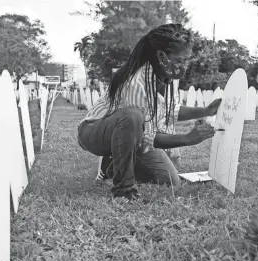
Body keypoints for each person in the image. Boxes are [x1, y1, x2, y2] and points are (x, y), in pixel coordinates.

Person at [77, 23, 222, 201]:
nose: (184, 65)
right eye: (180, 60)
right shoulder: (136, 82)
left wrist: (205, 111)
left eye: (186, 60)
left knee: (169, 179)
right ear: (161, 57)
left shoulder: (166, 77)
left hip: (131, 133)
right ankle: (124, 189)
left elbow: (171, 111)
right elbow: (144, 137)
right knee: (132, 115)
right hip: (96, 132)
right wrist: (186, 138)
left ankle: (112, 166)